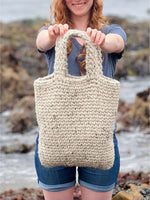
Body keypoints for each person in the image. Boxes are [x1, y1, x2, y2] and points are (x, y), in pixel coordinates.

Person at [35, 0, 127, 199]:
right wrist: (53, 34)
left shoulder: (112, 31)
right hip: (55, 137)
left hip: (98, 139)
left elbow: (117, 43)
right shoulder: (52, 31)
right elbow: (41, 42)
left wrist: (102, 41)